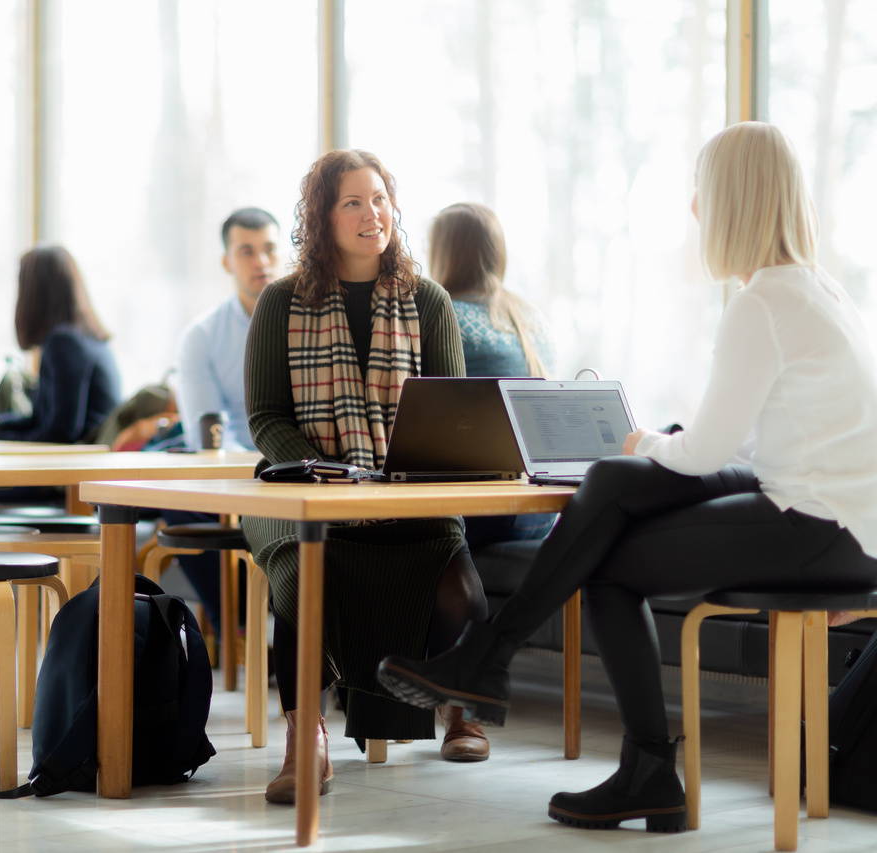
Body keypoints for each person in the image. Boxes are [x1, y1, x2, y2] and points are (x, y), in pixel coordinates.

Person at [378, 122, 877, 833]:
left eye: (702, 192)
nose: (696, 208)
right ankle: (488, 661)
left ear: (733, 200)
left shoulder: (762, 302)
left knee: (608, 563)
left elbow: (706, 455)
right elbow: (766, 437)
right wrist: (647, 450)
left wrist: (649, 439)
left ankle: (635, 762)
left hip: (817, 523)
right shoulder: (817, 291)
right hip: (837, 514)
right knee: (613, 476)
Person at [244, 149, 490, 805]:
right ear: (321, 217)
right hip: (301, 490)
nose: (370, 213)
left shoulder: (428, 300)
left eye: (379, 198)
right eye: (352, 201)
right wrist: (324, 473)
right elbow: (266, 417)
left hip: (405, 490)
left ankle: (455, 706)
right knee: (299, 575)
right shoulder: (279, 302)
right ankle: (306, 739)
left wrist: (401, 474)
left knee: (460, 585)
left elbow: (452, 413)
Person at [166, 208, 280, 630]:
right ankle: (241, 630)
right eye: (246, 251)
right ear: (227, 261)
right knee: (176, 507)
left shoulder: (309, 324)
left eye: (269, 249)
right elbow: (206, 434)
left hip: (296, 469)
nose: (261, 261)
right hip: (232, 471)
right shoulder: (202, 336)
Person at [427, 202, 556, 549]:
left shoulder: (445, 314)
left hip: (485, 513)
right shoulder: (531, 317)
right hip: (544, 511)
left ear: (441, 252)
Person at [0, 245, 121, 445]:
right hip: (91, 459)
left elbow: (60, 434)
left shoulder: (64, 343)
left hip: (80, 464)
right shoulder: (86, 337)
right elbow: (39, 419)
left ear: (34, 293)